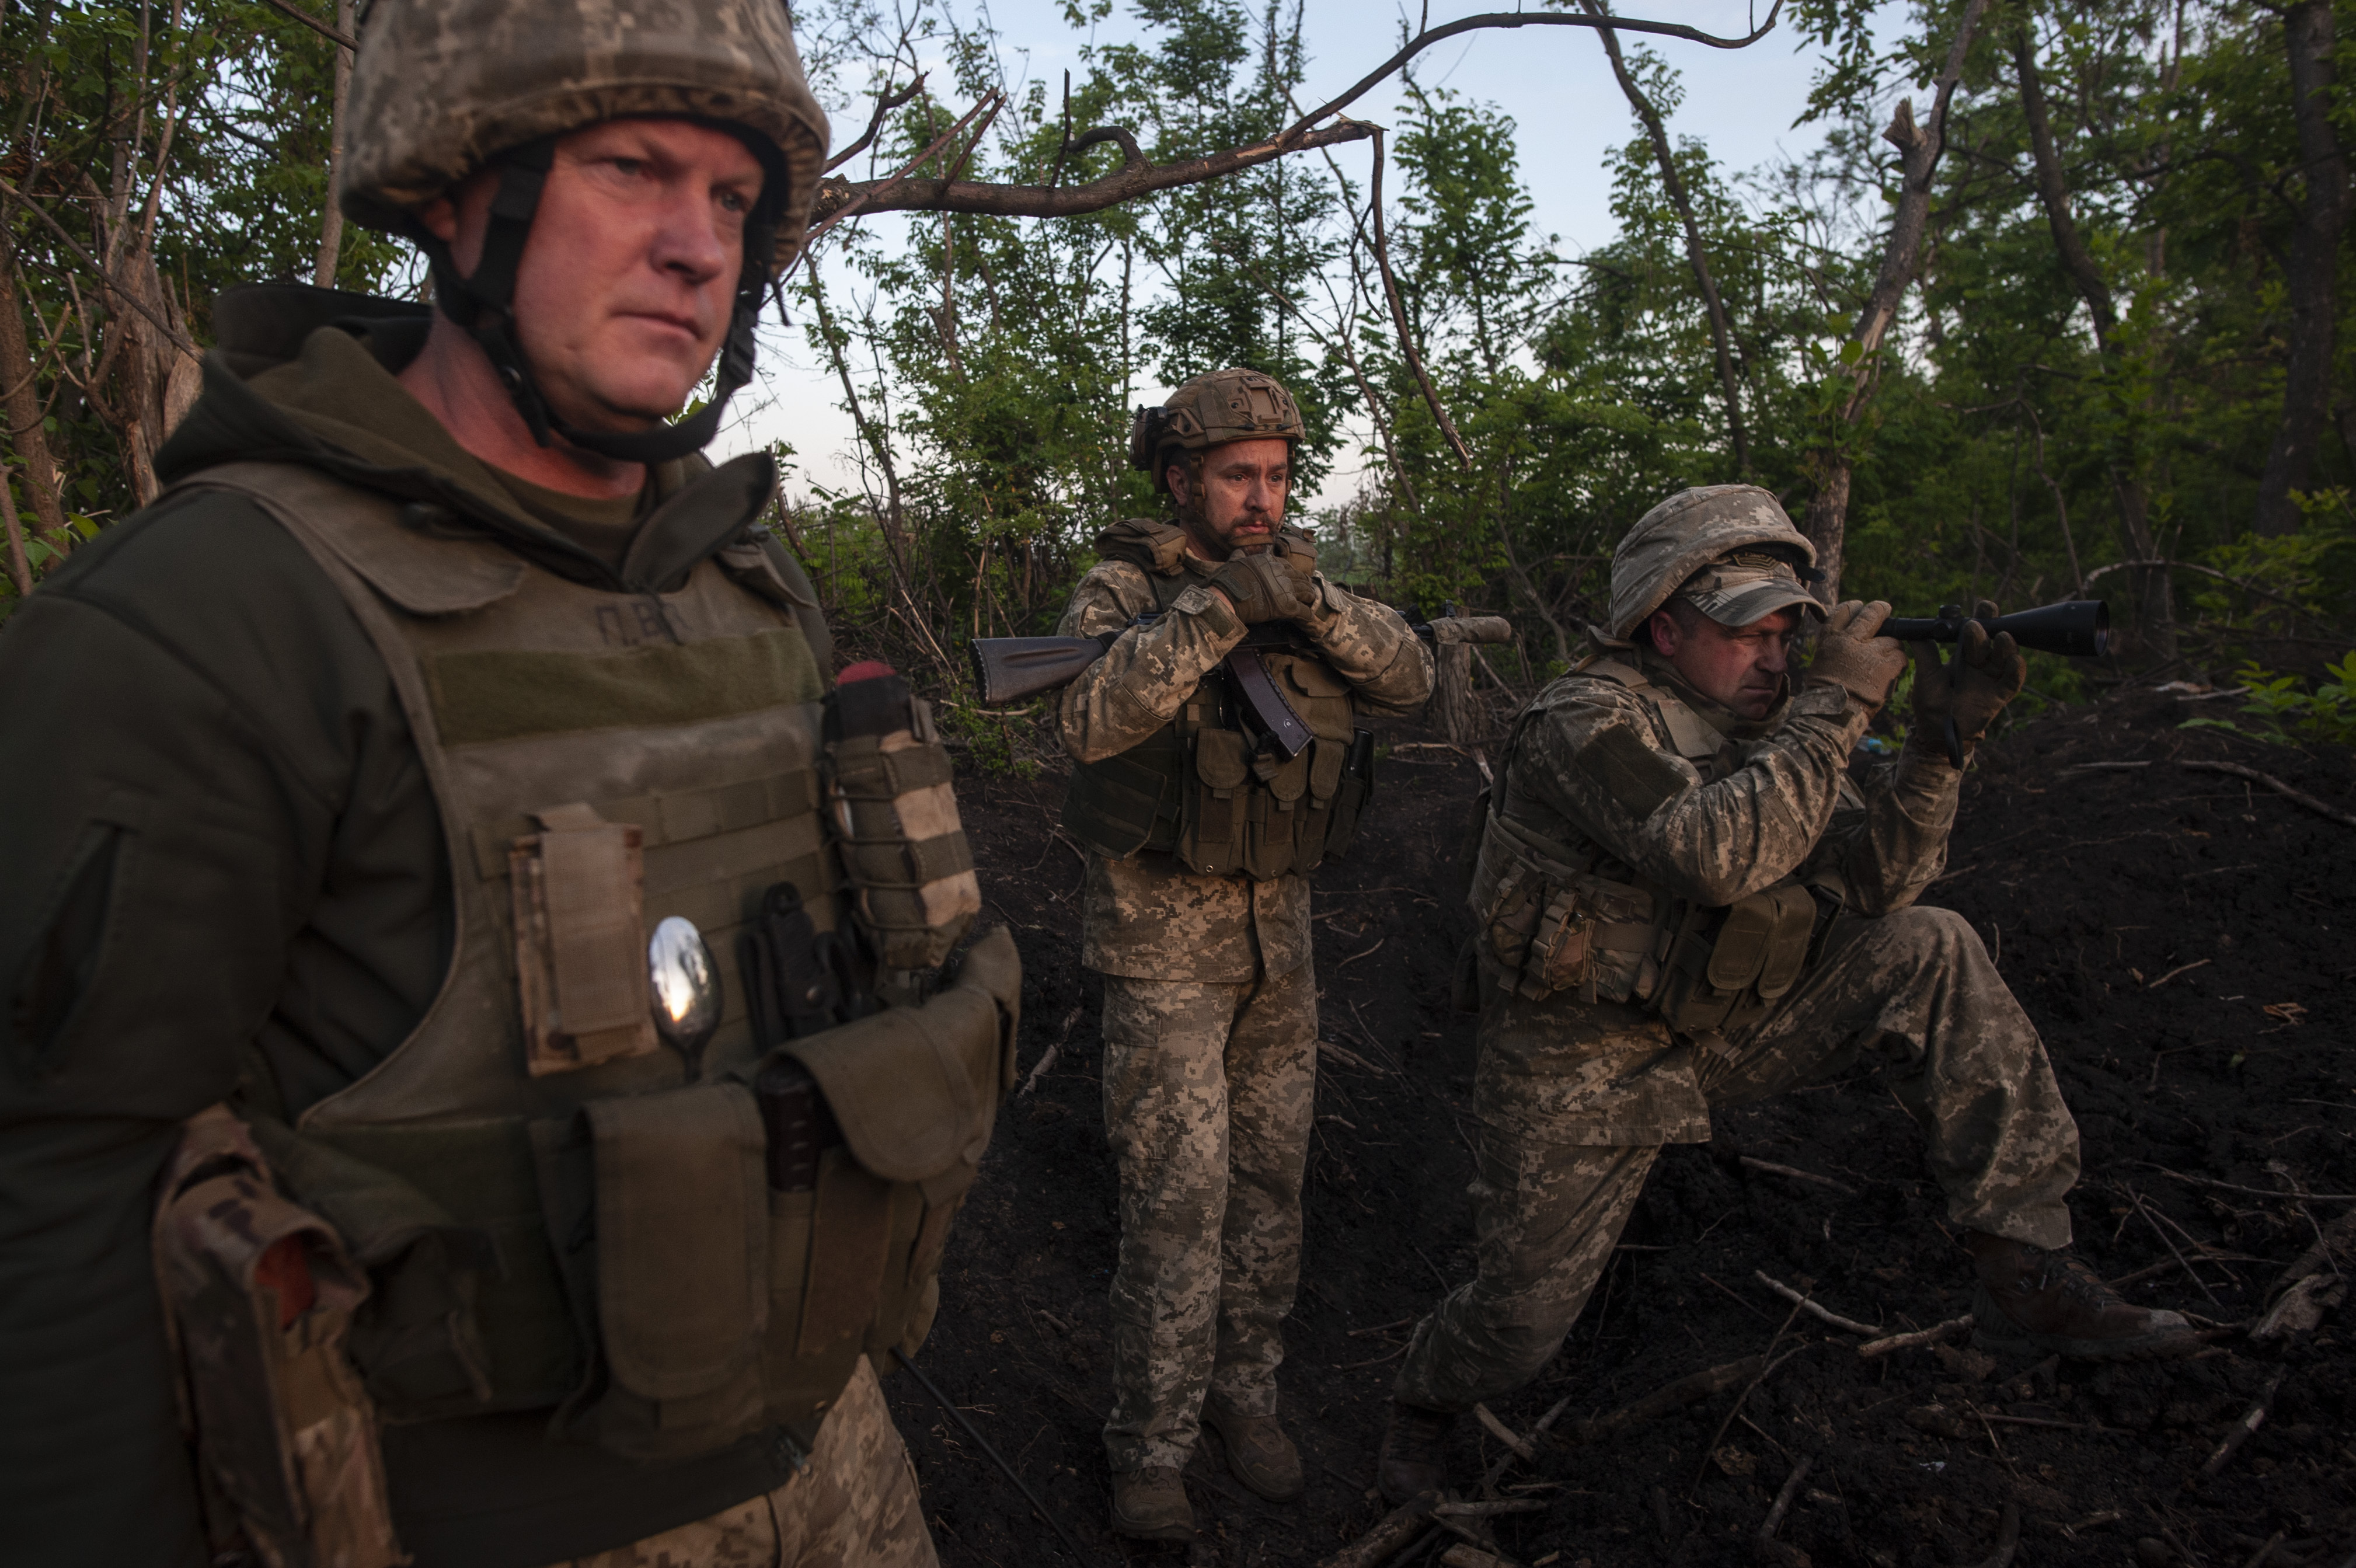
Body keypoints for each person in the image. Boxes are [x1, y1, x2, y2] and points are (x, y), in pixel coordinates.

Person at [0, 4, 1020, 1566]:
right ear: (452, 193)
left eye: (734, 202)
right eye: (633, 168)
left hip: (833, 1447)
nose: (697, 247)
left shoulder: (746, 582)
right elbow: (59, 1182)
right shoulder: (211, 614)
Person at [1376, 485, 2199, 1503]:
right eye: (1749, 635)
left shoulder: (1770, 728)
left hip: (1726, 1024)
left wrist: (1940, 752)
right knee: (1516, 1325)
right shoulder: (1585, 718)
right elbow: (1712, 853)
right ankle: (1423, 1402)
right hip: (1581, 1056)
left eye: (1787, 635)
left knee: (1929, 944)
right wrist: (1838, 704)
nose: (1776, 658)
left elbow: (1877, 880)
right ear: (1663, 626)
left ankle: (2023, 1262)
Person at [1054, 368, 1435, 1539]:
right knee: (1178, 1200)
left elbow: (1407, 677)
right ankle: (1151, 1441)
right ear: (1181, 481)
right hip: (1162, 947)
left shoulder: (1304, 582)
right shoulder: (1122, 587)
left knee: (1270, 1186)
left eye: (1274, 473)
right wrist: (1218, 609)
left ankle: (1244, 1395)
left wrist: (1308, 605)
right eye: (1236, 476)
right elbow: (1085, 717)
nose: (1260, 496)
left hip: (1281, 941)